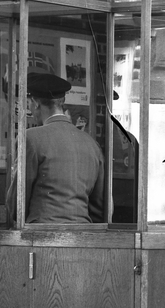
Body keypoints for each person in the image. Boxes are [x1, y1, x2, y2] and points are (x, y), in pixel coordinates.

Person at [13, 71, 105, 223]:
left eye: (29, 103)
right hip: (83, 236)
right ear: (61, 101)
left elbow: (18, 198)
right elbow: (100, 205)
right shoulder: (92, 144)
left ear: (35, 103)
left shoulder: (30, 138)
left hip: (39, 236)